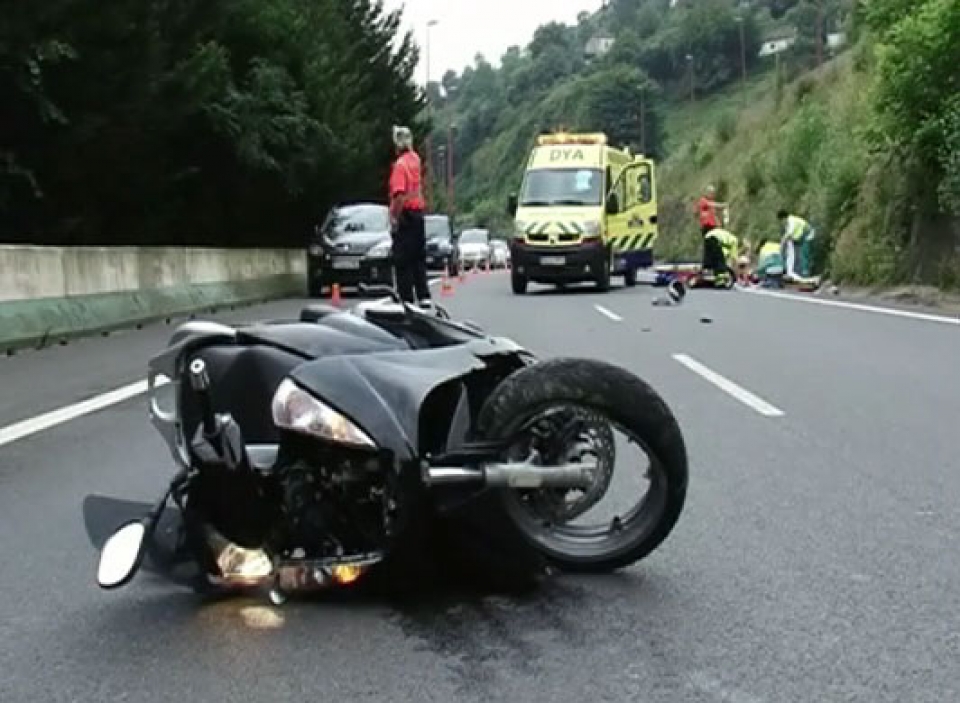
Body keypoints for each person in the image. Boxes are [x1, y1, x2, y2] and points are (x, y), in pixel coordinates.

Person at [389, 125, 431, 305]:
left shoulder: (400, 166)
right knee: (418, 257)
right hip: (418, 214)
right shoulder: (415, 160)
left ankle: (405, 298)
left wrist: (394, 218)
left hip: (406, 215)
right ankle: (423, 295)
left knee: (403, 260)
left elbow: (399, 195)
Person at [777, 209, 815, 279]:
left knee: (804, 254)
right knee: (797, 255)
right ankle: (799, 272)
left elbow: (789, 233)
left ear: (784, 218)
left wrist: (783, 242)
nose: (782, 223)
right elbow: (788, 235)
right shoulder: (787, 224)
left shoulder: (792, 220)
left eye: (781, 221)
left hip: (807, 234)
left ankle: (806, 273)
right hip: (799, 238)